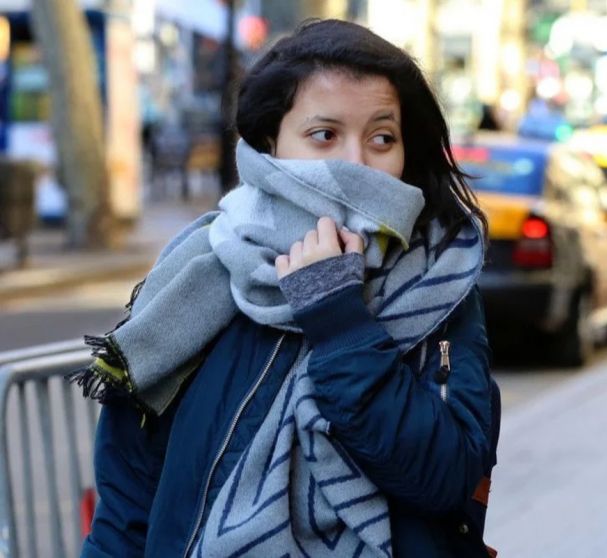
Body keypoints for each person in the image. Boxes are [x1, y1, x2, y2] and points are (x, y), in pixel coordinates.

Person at [76, 19, 499, 557]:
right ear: (269, 143)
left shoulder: (441, 285)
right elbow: (127, 501)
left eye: (381, 138)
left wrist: (339, 319)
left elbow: (445, 477)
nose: (355, 164)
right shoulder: (200, 272)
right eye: (324, 136)